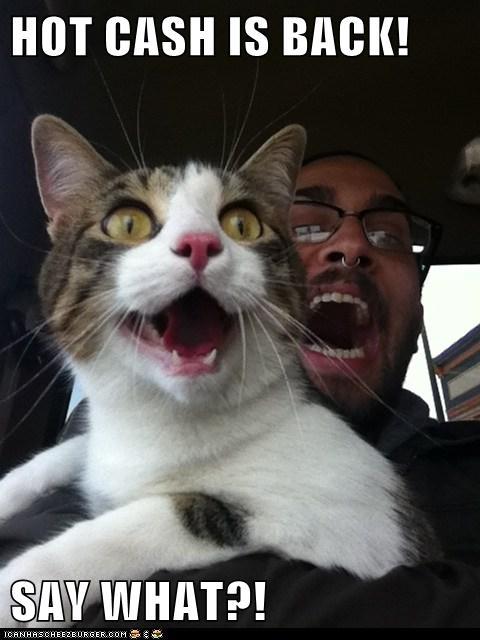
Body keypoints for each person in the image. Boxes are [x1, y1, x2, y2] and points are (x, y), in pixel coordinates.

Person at [2, 153, 480, 627]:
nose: (198, 242)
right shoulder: (84, 447)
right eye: (130, 223)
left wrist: (77, 566)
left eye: (241, 225)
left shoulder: (424, 468)